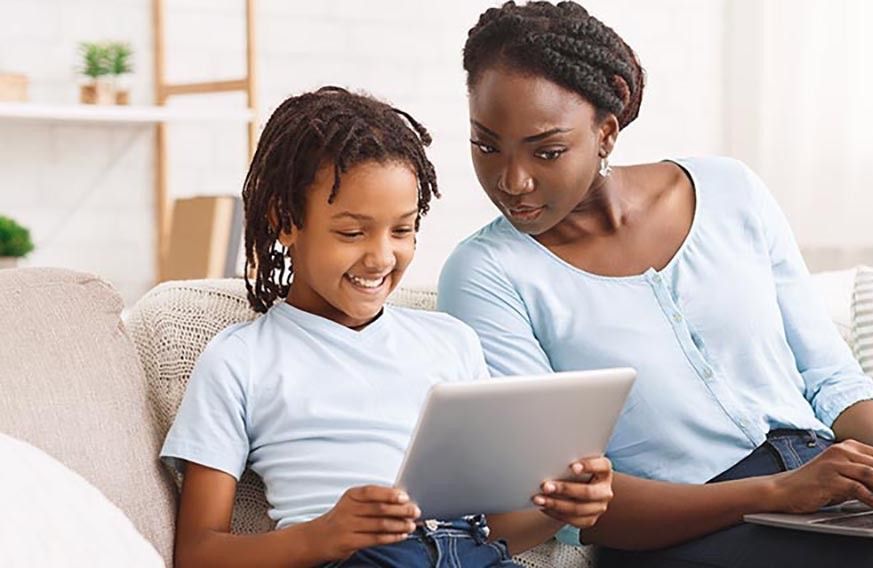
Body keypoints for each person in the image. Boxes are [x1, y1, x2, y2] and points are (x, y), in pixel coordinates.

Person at [437, 3, 873, 566]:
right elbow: (568, 496)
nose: (512, 181)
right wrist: (778, 493)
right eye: (486, 147)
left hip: (823, 474)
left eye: (546, 151)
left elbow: (830, 375)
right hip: (679, 533)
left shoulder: (729, 190)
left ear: (606, 130)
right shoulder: (488, 275)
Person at [161, 86, 614, 568]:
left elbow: (491, 528)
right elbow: (198, 553)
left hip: (470, 552)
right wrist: (324, 535)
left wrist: (556, 509)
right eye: (352, 232)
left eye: (402, 230)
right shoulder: (240, 359)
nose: (381, 257)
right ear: (285, 221)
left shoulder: (450, 341)